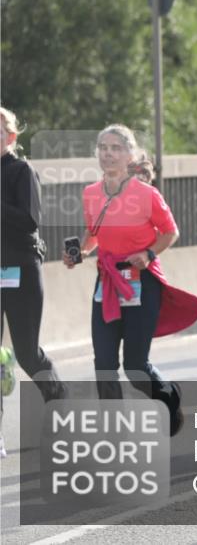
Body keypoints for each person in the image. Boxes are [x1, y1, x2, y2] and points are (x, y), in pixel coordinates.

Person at [62, 124, 197, 436]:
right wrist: (80, 253)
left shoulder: (146, 194)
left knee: (135, 367)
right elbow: (93, 233)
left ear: (129, 155)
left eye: (115, 148)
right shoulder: (90, 193)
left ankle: (167, 395)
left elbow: (170, 232)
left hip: (142, 281)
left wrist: (149, 253)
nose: (108, 154)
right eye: (103, 148)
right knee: (104, 364)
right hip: (107, 283)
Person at [1, 108, 68, 458]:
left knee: (27, 353)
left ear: (11, 137)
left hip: (19, 269)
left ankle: (60, 409)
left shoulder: (21, 171)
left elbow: (30, 220)